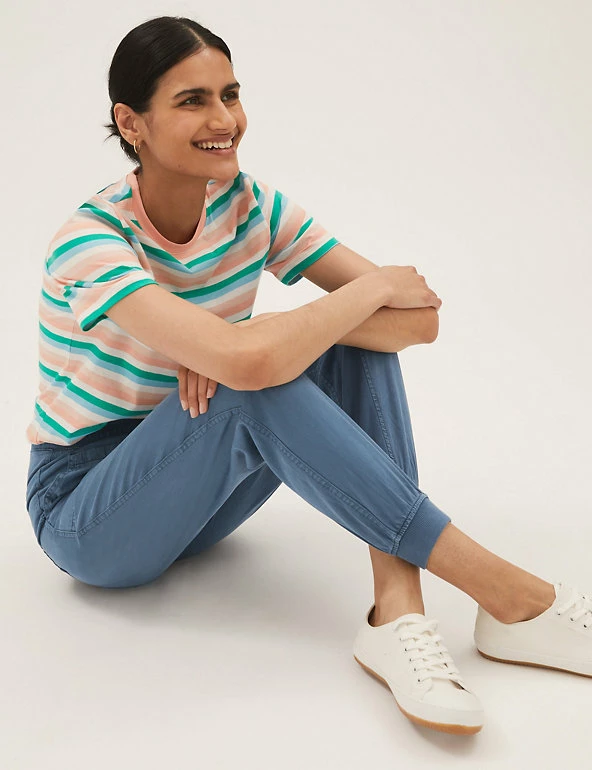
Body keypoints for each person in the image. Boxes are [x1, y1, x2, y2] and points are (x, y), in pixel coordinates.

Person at [24, 15, 591, 737]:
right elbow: (256, 362)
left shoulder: (250, 205)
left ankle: (397, 613)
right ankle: (510, 595)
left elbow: (417, 322)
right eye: (193, 101)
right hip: (88, 511)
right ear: (131, 123)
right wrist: (349, 298)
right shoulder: (92, 239)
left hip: (198, 495)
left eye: (231, 94)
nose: (224, 119)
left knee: (344, 345)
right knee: (259, 376)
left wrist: (259, 333)